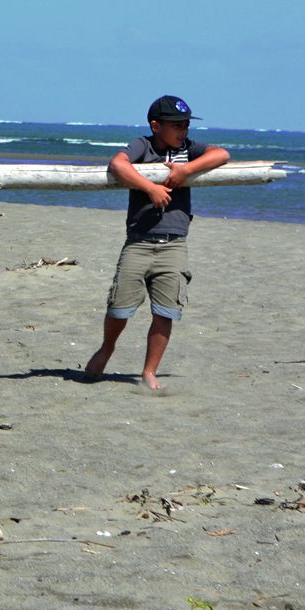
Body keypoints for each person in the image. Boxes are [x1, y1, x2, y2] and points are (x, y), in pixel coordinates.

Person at [83, 95, 230, 390]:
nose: (183, 130)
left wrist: (186, 170)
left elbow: (222, 154)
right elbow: (118, 164)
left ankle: (149, 371)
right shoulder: (143, 145)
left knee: (165, 311)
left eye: (186, 124)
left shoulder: (189, 151)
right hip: (138, 242)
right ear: (156, 125)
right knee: (119, 307)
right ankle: (107, 348)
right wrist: (150, 188)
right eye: (176, 125)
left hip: (174, 244)